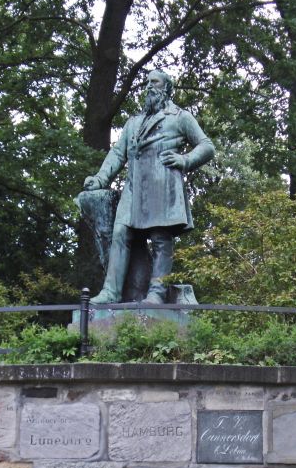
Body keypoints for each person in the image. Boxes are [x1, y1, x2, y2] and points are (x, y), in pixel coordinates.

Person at [84, 69, 215, 304]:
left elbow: (206, 146)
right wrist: (101, 178)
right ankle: (111, 292)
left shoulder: (180, 116)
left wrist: (185, 160)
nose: (148, 87)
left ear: (166, 87)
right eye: (146, 83)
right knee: (120, 233)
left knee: (160, 239)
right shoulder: (133, 122)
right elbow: (117, 153)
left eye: (154, 82)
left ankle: (157, 292)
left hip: (162, 185)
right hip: (134, 189)